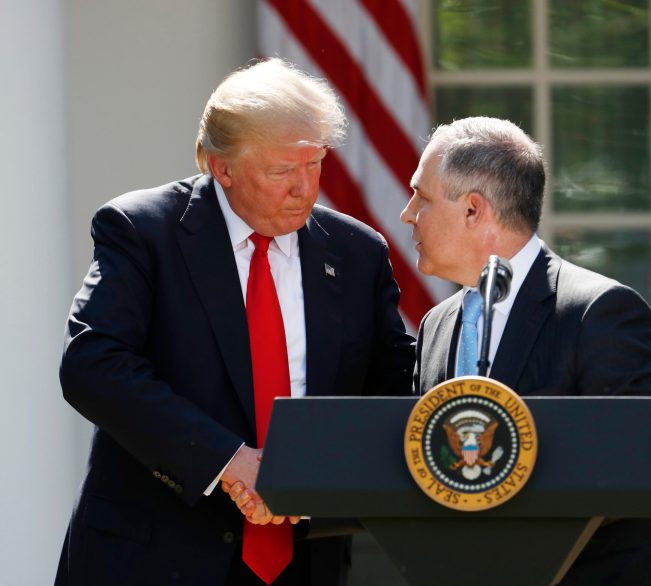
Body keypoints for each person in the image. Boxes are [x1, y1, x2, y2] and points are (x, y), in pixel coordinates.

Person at [56, 58, 414, 586]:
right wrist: (229, 461)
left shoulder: (358, 253)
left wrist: (316, 473)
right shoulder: (143, 231)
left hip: (303, 559)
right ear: (222, 167)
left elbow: (389, 392)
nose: (304, 187)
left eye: (314, 164)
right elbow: (93, 366)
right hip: (154, 557)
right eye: (281, 171)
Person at [401, 116, 651, 585]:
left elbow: (646, 462)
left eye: (422, 197)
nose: (408, 213)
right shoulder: (436, 325)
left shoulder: (599, 312)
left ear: (473, 210)